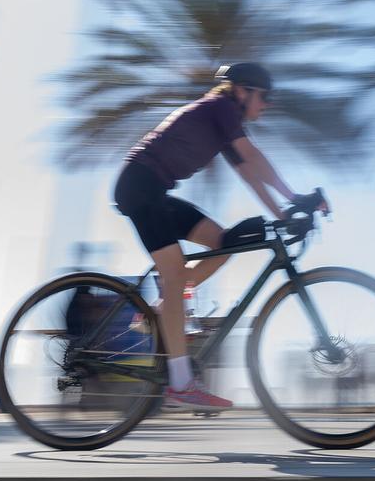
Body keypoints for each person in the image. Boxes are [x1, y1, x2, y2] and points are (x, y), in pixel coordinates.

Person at [112, 62, 303, 411]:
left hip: (153, 190)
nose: (268, 104)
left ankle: (160, 310)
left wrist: (284, 215)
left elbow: (251, 174)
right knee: (174, 275)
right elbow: (253, 156)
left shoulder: (225, 121)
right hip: (140, 186)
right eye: (264, 97)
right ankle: (181, 384)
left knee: (223, 243)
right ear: (242, 91)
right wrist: (294, 198)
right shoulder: (221, 107)